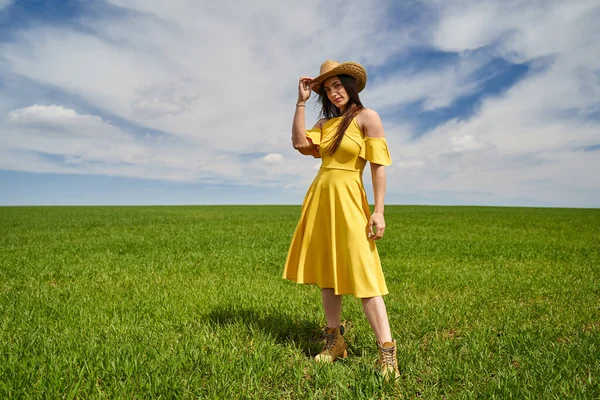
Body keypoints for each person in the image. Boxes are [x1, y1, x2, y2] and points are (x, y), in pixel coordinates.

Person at [282, 60, 399, 381]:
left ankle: (387, 353)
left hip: (350, 201)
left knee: (364, 275)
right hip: (321, 199)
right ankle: (335, 341)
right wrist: (301, 102)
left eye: (338, 86)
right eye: (328, 89)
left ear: (351, 85)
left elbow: (378, 166)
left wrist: (379, 210)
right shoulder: (323, 124)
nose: (334, 93)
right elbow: (299, 144)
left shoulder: (367, 118)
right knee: (328, 273)